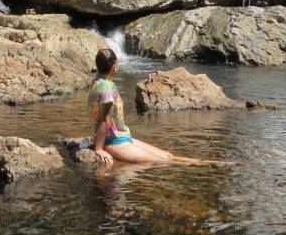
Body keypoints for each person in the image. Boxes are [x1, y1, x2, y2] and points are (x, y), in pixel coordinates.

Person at [88, 48, 216, 166]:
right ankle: (211, 165)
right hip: (114, 142)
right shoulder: (107, 87)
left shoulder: (97, 82)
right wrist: (99, 149)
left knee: (167, 155)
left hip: (121, 137)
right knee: (164, 161)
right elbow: (106, 119)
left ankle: (213, 163)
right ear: (115, 66)